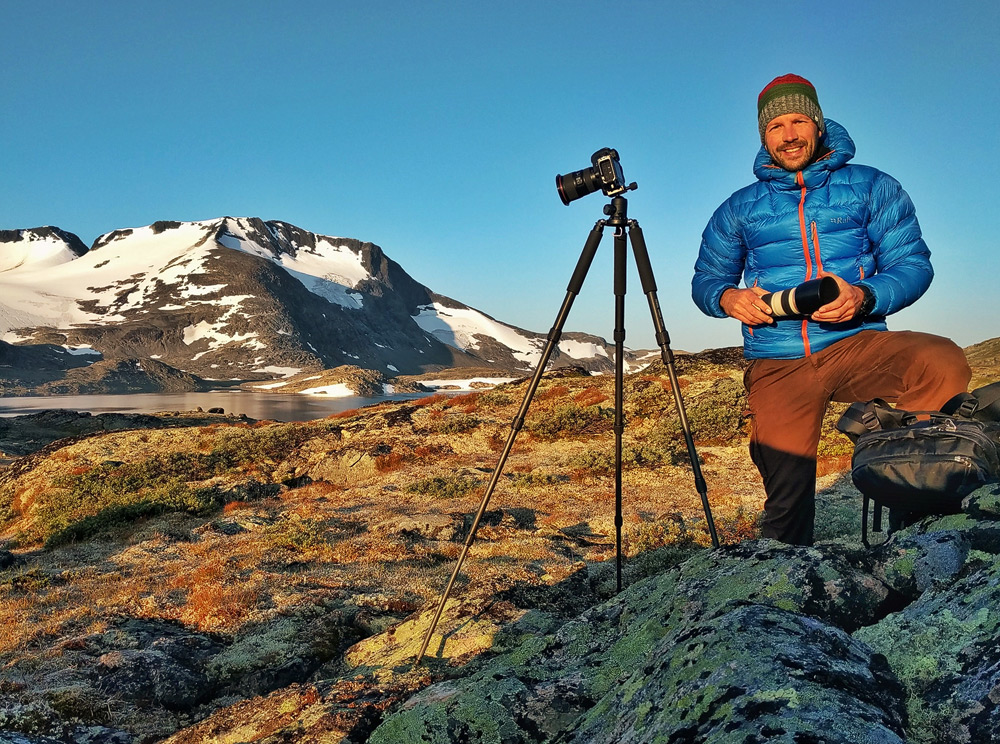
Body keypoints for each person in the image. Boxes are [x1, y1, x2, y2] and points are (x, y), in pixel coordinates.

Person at [691, 73, 971, 545]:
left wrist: (863, 296)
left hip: (856, 342)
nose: (789, 134)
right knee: (786, 497)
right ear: (764, 135)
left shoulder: (871, 187)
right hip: (777, 359)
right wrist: (728, 298)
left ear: (818, 125)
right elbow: (706, 279)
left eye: (799, 120)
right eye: (776, 126)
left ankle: (914, 513)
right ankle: (781, 579)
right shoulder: (739, 208)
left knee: (940, 359)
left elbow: (912, 265)